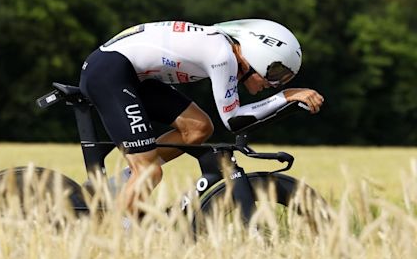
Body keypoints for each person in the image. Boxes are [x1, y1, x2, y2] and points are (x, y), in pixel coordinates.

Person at [79, 19, 324, 214]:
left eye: (283, 79)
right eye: (276, 72)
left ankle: (120, 186)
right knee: (149, 172)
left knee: (198, 129)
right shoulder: (222, 55)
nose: (274, 83)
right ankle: (112, 233)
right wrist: (285, 96)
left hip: (130, 73)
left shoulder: (222, 47)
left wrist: (284, 98)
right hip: (110, 72)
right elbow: (233, 121)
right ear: (258, 53)